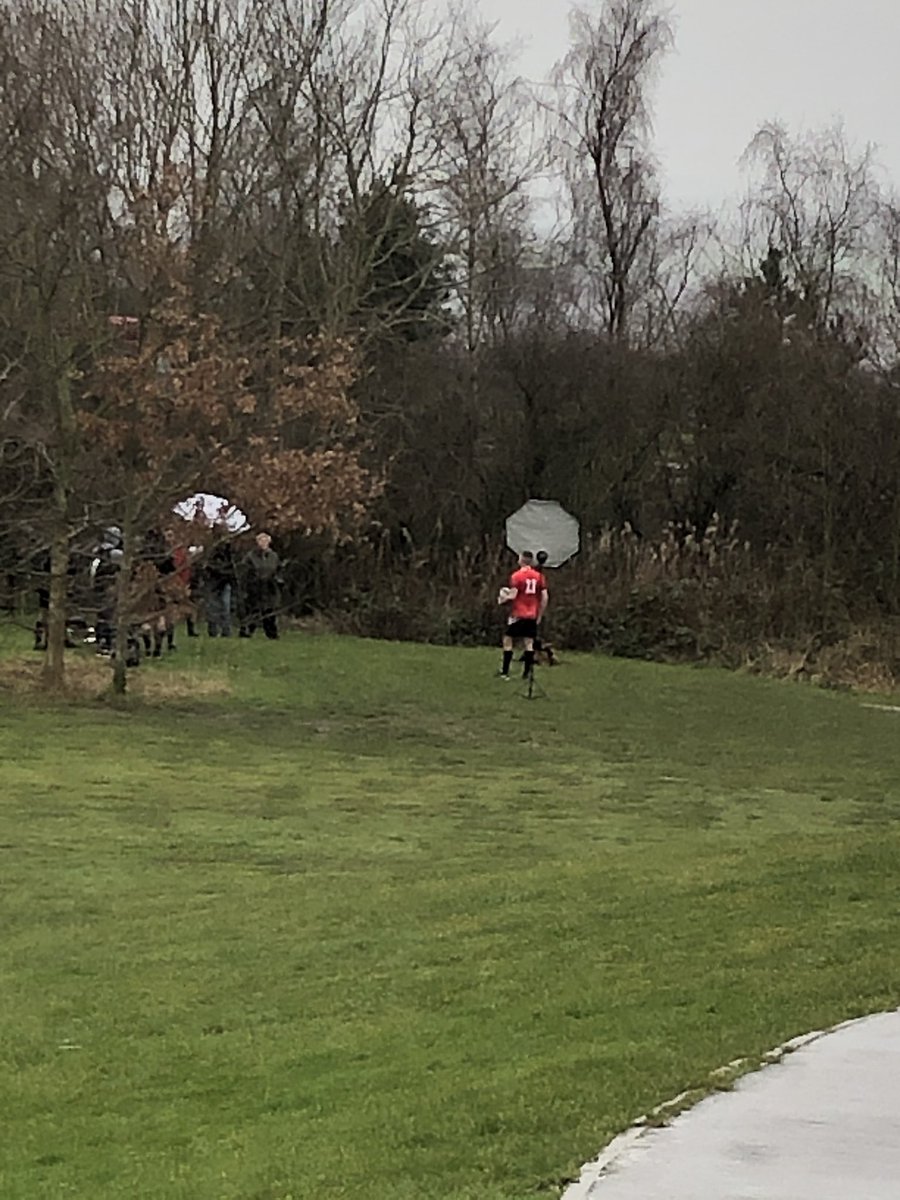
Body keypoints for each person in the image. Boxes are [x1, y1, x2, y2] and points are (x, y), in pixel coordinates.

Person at [498, 550, 548, 680]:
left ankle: (505, 672)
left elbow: (513, 595)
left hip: (518, 614)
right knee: (529, 643)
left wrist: (503, 598)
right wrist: (540, 614)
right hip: (532, 614)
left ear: (521, 560)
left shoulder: (517, 576)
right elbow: (544, 597)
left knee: (508, 640)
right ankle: (526, 673)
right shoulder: (539, 576)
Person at [239, 531, 282, 640]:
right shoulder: (250, 556)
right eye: (261, 541)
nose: (263, 543)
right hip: (254, 587)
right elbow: (244, 571)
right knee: (253, 610)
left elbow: (278, 570)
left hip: (269, 587)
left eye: (265, 541)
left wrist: (277, 580)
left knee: (269, 611)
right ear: (257, 542)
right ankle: (247, 631)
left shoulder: (274, 556)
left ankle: (272, 634)